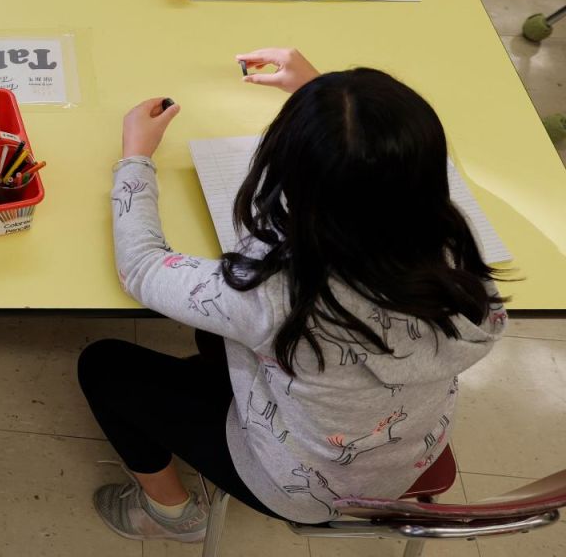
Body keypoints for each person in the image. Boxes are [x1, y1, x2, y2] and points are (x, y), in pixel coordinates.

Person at [79, 48, 506, 540]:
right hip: (410, 446)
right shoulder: (452, 241)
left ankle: (169, 513)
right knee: (211, 337)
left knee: (103, 365)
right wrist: (328, 109)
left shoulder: (277, 290)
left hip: (302, 485)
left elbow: (141, 267)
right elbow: (375, 177)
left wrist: (135, 156)